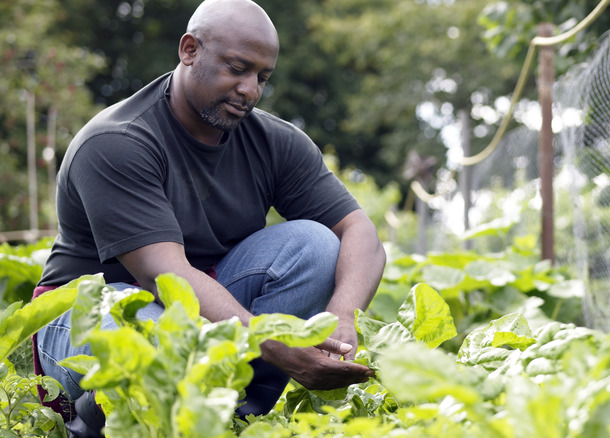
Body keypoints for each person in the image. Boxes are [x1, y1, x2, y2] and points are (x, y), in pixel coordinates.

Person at [34, 0, 386, 432]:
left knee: (316, 245)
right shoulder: (117, 141)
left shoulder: (274, 141)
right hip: (89, 313)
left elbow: (360, 231)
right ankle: (91, 422)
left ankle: (235, 414)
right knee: (163, 337)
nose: (250, 90)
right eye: (237, 68)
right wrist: (271, 340)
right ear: (189, 50)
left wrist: (344, 319)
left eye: (262, 77)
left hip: (199, 302)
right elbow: (163, 275)